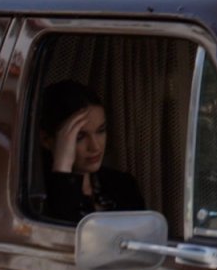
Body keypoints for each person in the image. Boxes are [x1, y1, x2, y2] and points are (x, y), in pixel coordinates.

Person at [39, 80, 144, 223]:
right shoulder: (34, 195)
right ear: (46, 139)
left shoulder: (122, 185)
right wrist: (62, 167)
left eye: (100, 131)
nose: (95, 147)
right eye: (79, 136)